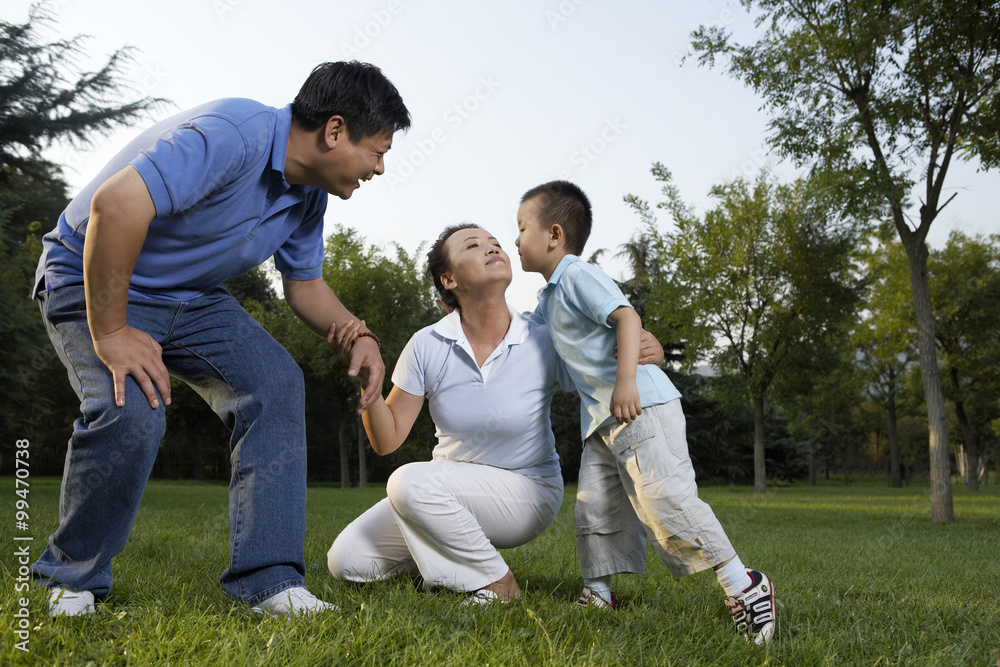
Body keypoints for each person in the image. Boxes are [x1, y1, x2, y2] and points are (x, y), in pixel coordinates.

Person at [30, 61, 410, 617]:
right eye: (377, 151)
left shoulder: (308, 195)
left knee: (276, 381)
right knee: (131, 409)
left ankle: (269, 583)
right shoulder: (233, 134)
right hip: (89, 271)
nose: (378, 168)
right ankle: (70, 577)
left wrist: (360, 335)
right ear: (334, 131)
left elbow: (304, 286)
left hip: (191, 296)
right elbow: (116, 206)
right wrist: (111, 332)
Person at [326, 223, 665, 603]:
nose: (492, 249)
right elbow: (387, 440)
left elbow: (610, 364)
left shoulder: (544, 336)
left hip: (528, 492)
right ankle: (451, 559)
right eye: (473, 245)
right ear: (449, 279)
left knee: (408, 483)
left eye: (496, 244)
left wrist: (646, 349)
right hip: (446, 489)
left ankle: (496, 584)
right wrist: (369, 385)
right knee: (348, 561)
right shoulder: (427, 344)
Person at [514, 181, 777, 644]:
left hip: (639, 406)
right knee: (595, 509)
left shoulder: (576, 273)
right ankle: (598, 592)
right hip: (601, 421)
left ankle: (745, 585)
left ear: (554, 234)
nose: (515, 240)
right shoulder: (547, 299)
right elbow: (522, 339)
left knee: (665, 499)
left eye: (521, 229)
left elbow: (626, 317)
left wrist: (627, 380)